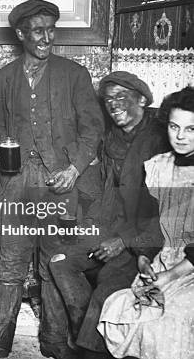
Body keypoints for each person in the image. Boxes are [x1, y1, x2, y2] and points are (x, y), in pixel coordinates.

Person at [0, 0, 105, 359]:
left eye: (52, 29)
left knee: (55, 260)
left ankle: (54, 340)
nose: (47, 37)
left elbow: (92, 129)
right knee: (10, 260)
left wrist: (74, 169)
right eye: (39, 30)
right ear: (21, 33)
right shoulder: (3, 78)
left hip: (63, 180)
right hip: (19, 180)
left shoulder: (74, 74)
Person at [50, 71, 168, 358]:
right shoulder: (111, 138)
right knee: (59, 260)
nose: (114, 104)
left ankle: (93, 351)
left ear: (142, 99)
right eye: (108, 99)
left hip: (149, 241)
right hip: (110, 229)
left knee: (109, 288)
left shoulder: (163, 140)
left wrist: (123, 240)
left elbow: (168, 213)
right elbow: (105, 190)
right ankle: (83, 339)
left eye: (121, 97)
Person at [98, 86, 194, 359]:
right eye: (174, 127)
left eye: (191, 129)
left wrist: (169, 276)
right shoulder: (157, 167)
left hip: (188, 270)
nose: (180, 136)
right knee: (120, 305)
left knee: (170, 319)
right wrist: (143, 258)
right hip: (164, 263)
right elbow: (148, 223)